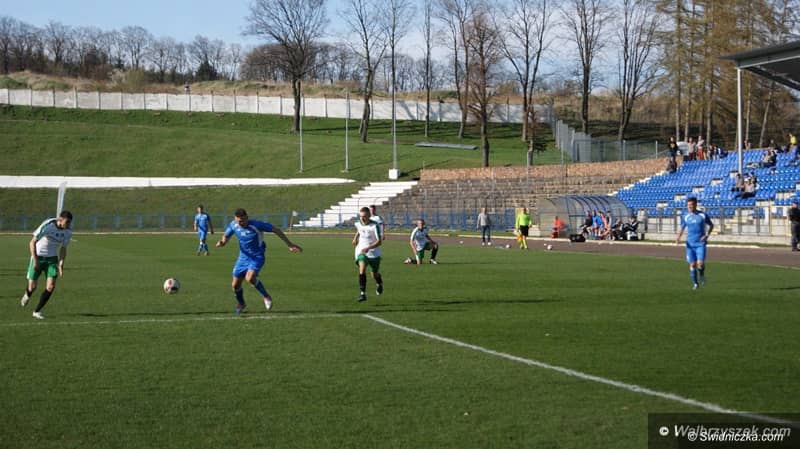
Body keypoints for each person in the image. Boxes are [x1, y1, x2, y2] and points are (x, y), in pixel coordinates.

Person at [216, 208, 302, 313]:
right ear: (235, 219)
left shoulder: (257, 225)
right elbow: (226, 236)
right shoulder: (233, 225)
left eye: (242, 221)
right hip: (243, 257)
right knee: (235, 285)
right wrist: (223, 242)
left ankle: (266, 296)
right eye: (238, 221)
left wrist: (289, 244)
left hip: (257, 256)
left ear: (247, 218)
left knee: (249, 278)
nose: (240, 223)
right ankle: (241, 304)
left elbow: (276, 230)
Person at [20, 210, 74, 320]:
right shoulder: (48, 225)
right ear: (60, 220)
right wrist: (35, 260)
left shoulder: (68, 232)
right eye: (67, 222)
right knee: (32, 287)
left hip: (52, 260)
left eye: (70, 222)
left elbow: (63, 248)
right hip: (38, 256)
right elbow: (32, 242)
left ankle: (37, 311)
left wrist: (61, 263)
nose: (68, 224)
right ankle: (27, 294)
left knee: (51, 286)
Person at [675, 197, 714, 290]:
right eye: (688, 205)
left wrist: (707, 235)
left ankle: (702, 275)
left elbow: (711, 225)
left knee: (700, 263)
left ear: (695, 205)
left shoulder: (703, 215)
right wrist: (678, 238)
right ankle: (695, 284)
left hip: (700, 243)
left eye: (691, 205)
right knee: (692, 264)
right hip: (690, 244)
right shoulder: (685, 216)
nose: (689, 207)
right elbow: (682, 228)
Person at [353, 207, 383, 302]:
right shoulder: (358, 223)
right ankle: (363, 294)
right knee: (362, 269)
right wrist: (355, 238)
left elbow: (379, 242)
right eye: (361, 216)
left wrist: (369, 248)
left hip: (374, 253)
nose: (362, 218)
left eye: (364, 216)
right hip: (361, 251)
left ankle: (379, 283)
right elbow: (359, 229)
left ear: (369, 216)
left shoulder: (374, 226)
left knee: (374, 274)